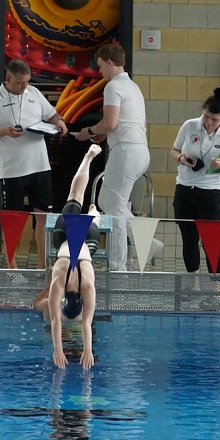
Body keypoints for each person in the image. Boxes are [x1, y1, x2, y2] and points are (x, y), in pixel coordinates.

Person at [0, 59, 68, 269]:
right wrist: (4, 131)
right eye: (19, 83)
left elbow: (51, 114)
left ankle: (42, 265)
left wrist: (59, 122)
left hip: (40, 165)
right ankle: (12, 265)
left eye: (27, 81)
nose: (24, 86)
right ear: (7, 79)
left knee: (43, 216)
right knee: (13, 219)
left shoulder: (33, 93)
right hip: (12, 169)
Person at [73, 43, 149, 272]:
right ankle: (147, 241)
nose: (99, 72)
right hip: (139, 150)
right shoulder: (133, 87)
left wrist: (89, 132)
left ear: (109, 62)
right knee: (107, 202)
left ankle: (119, 269)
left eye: (100, 67)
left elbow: (110, 123)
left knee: (114, 209)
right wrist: (103, 134)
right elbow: (126, 123)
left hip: (126, 151)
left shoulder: (113, 86)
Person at [33, 144, 103, 369]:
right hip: (66, 237)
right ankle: (88, 159)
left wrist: (85, 350)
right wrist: (61, 350)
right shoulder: (62, 282)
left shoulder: (87, 287)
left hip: (86, 241)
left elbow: (82, 322)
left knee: (91, 220)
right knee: (75, 196)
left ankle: (94, 214)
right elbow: (57, 320)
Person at [170, 86, 220, 276]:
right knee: (189, 239)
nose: (208, 122)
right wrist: (182, 159)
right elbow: (174, 150)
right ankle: (194, 284)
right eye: (206, 117)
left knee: (211, 241)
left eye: (214, 119)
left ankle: (215, 290)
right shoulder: (190, 125)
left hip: (211, 192)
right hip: (185, 189)